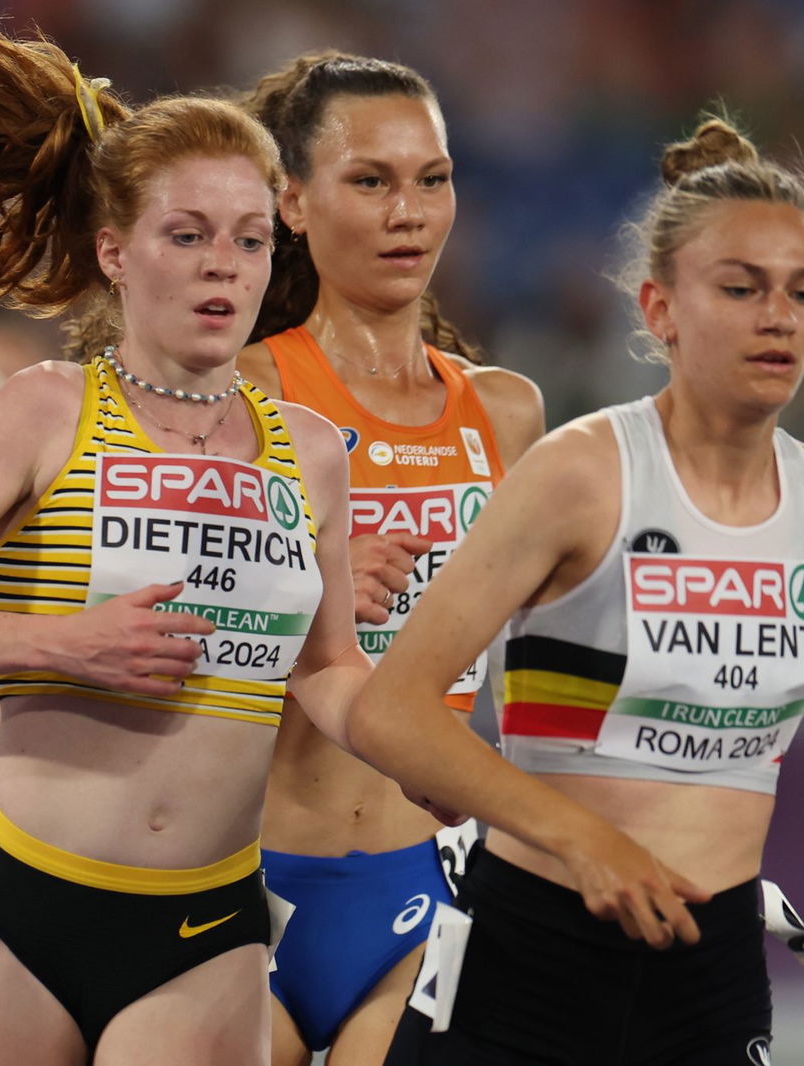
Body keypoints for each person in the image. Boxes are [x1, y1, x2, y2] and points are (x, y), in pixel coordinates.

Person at [0, 24, 702, 1066]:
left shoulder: (310, 451)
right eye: (187, 236)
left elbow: (332, 675)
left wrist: (449, 767)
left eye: (245, 240)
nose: (221, 267)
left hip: (210, 924)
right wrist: (61, 644)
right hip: (20, 902)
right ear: (117, 251)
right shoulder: (44, 410)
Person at [374, 117, 804, 1065]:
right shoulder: (582, 474)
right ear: (660, 309)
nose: (779, 317)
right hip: (530, 949)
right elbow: (394, 708)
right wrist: (582, 839)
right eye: (740, 289)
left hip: (715, 966)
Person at [234, 53, 546, 1066]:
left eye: (432, 178)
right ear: (291, 200)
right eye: (370, 181)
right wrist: (300, 586)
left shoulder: (505, 411)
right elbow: (140, 626)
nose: (407, 210)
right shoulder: (238, 389)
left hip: (423, 884)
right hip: (239, 878)